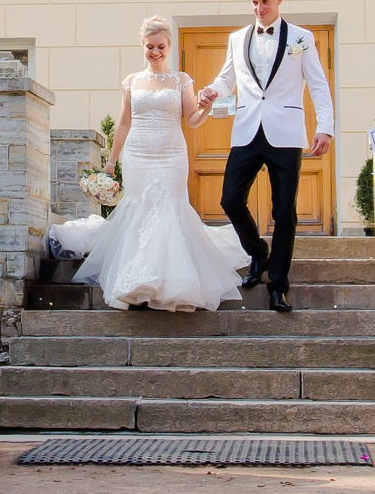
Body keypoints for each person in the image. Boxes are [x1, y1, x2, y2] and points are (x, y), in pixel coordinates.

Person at [58, 17, 250, 311]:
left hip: (171, 153)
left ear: (169, 46)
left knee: (169, 209)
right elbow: (123, 122)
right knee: (140, 209)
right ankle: (136, 280)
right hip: (138, 154)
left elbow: (193, 120)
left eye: (161, 46)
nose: (155, 52)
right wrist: (110, 162)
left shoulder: (181, 80)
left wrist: (206, 107)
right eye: (150, 46)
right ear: (143, 46)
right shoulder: (132, 81)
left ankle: (171, 282)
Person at [196, 0, 335, 311]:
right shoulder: (237, 38)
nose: (259, 9)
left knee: (284, 211)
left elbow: (317, 84)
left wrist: (325, 127)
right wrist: (213, 90)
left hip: (286, 133)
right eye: (254, 2)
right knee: (230, 199)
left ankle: (278, 285)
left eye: (265, 2)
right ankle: (258, 252)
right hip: (246, 130)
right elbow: (228, 78)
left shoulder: (302, 37)